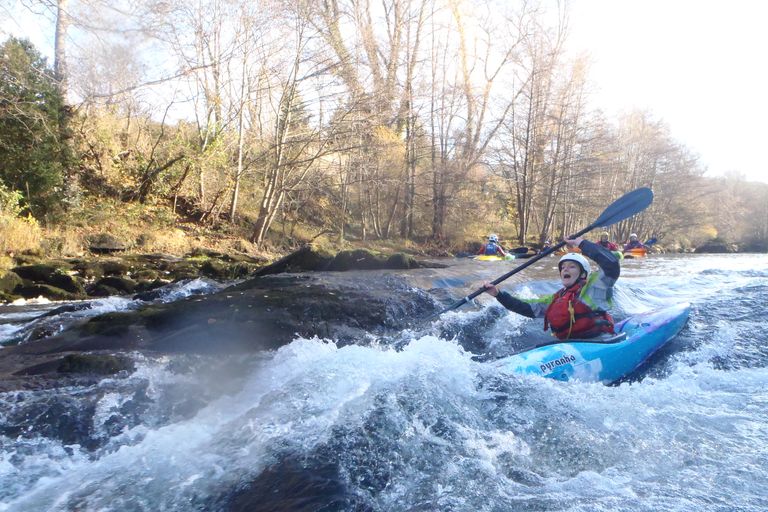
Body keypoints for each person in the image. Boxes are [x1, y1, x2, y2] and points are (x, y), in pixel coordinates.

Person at [482, 237, 619, 340]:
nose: (565, 269)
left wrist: (582, 243)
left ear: (583, 274)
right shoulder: (556, 299)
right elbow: (526, 307)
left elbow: (611, 265)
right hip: (572, 347)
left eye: (572, 266)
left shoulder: (594, 288)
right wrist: (498, 294)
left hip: (600, 342)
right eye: (563, 267)